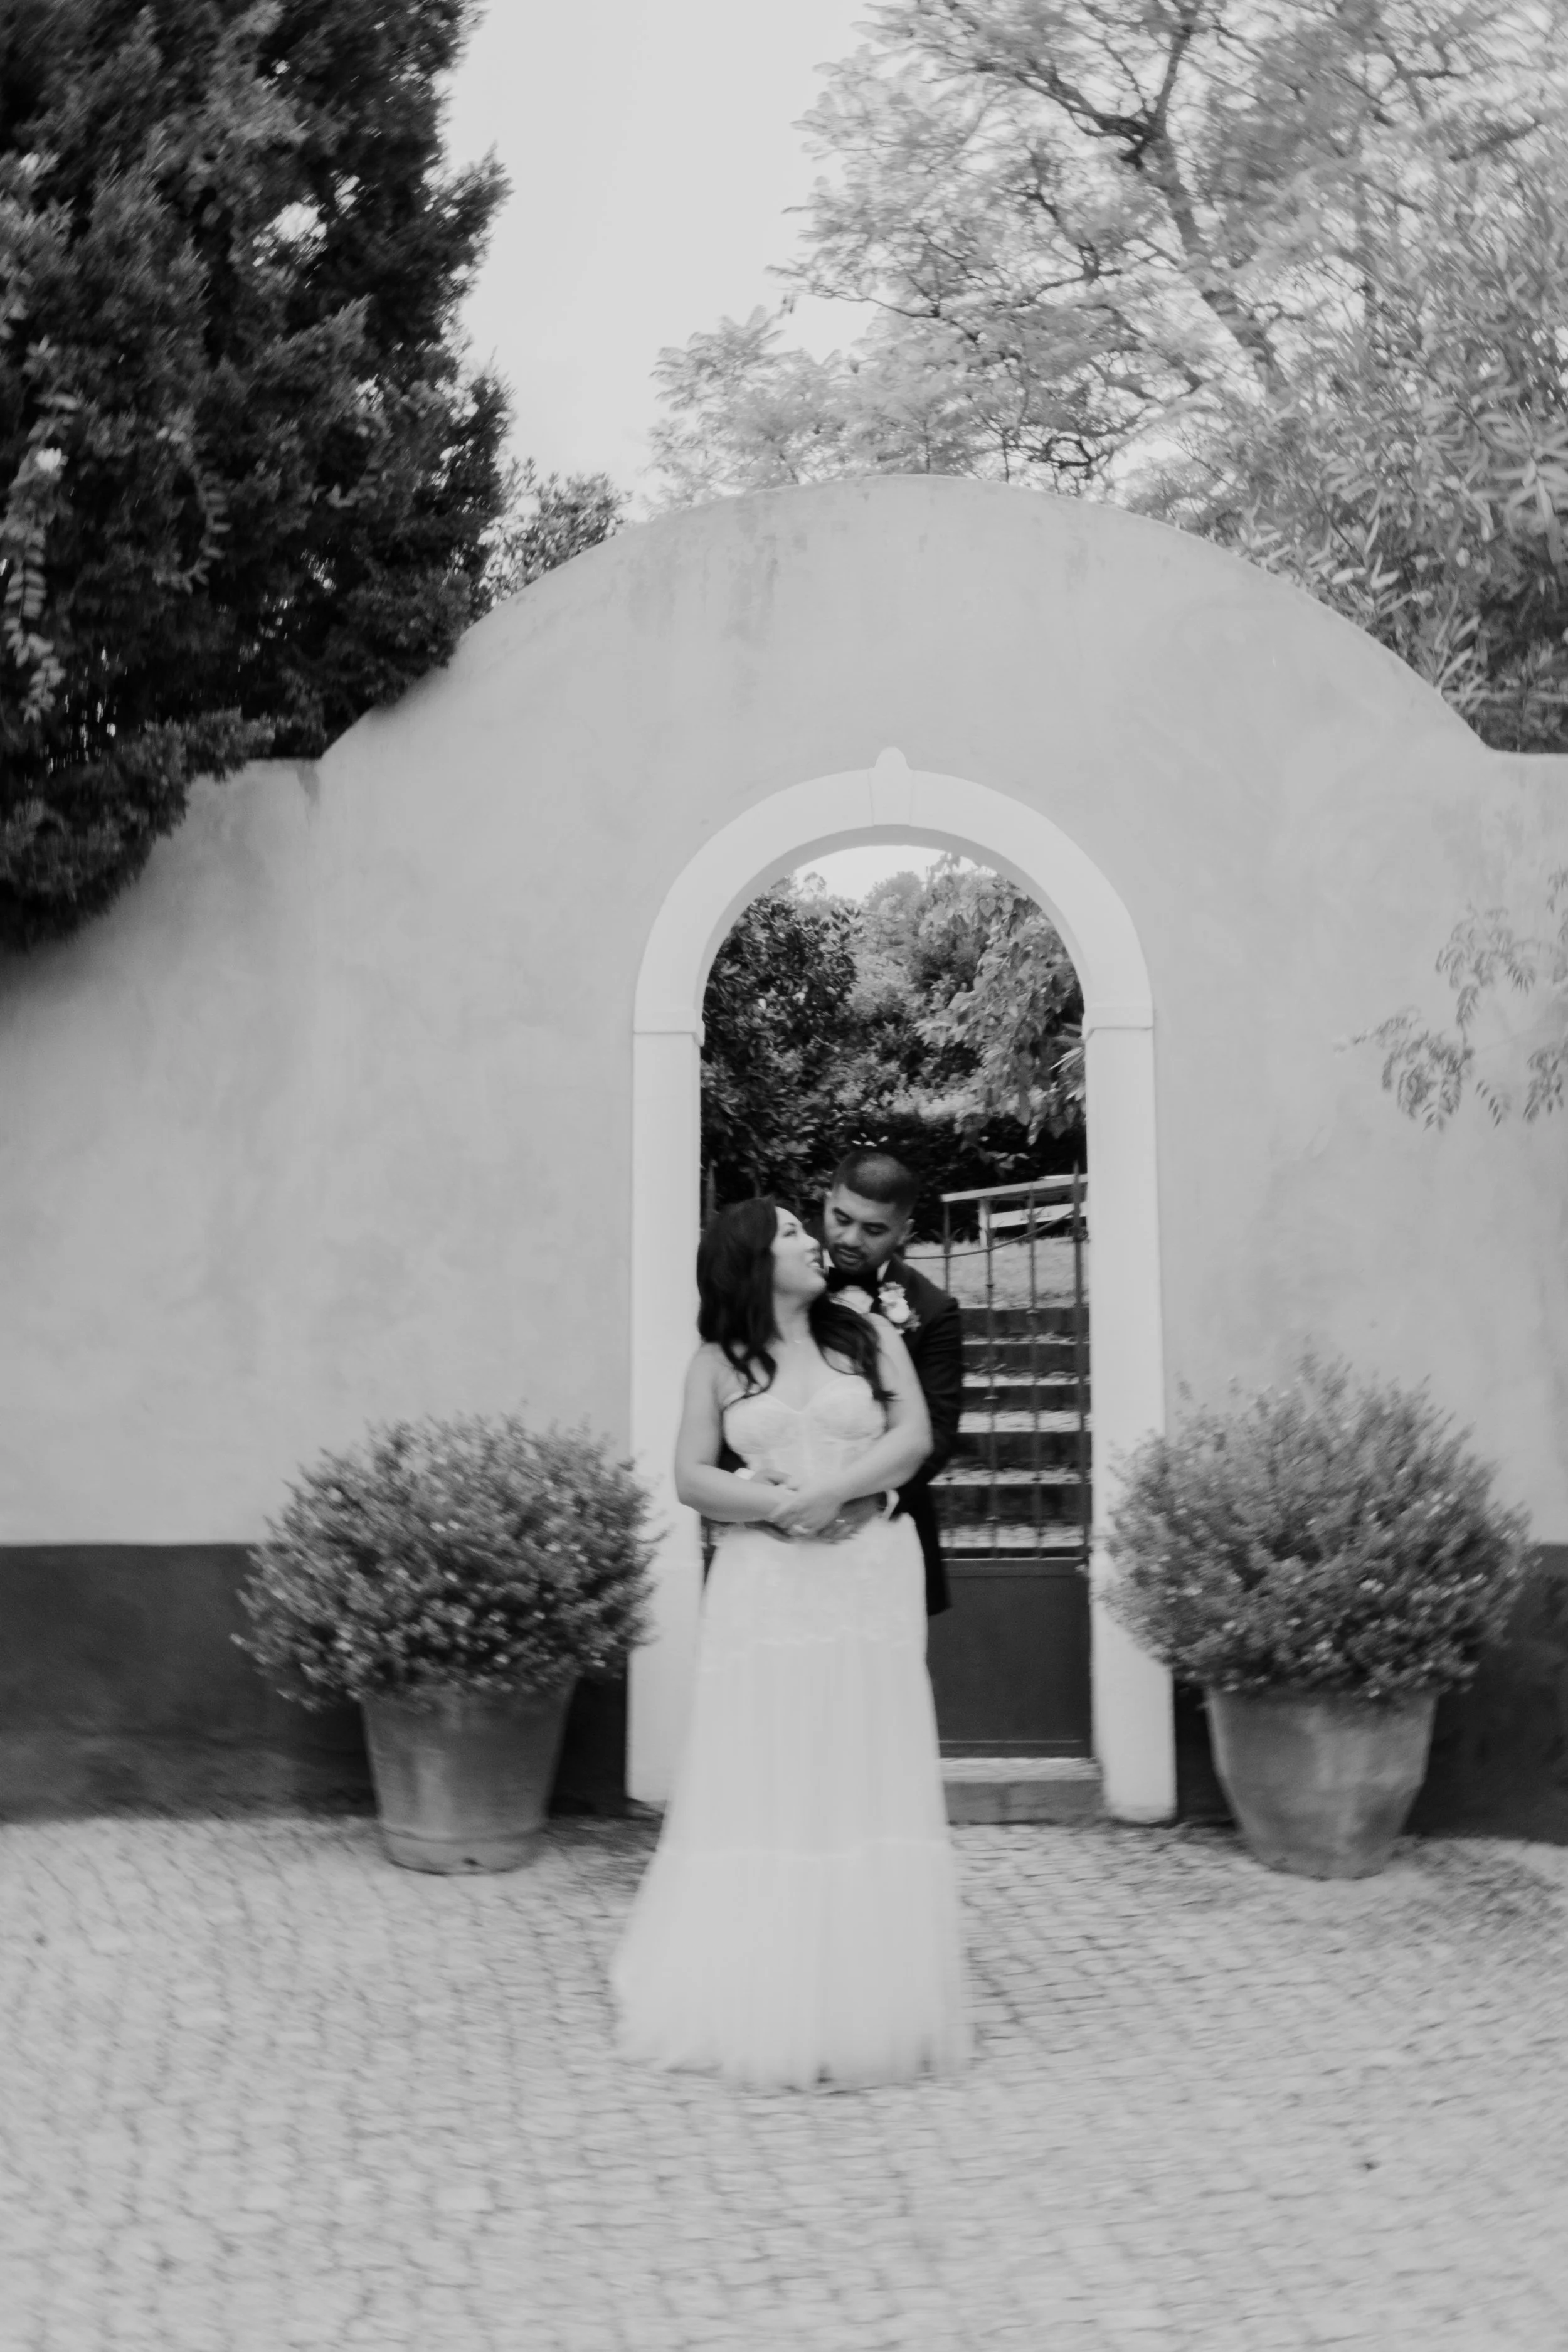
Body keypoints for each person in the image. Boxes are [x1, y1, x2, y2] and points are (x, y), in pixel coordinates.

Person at [610, 1199, 971, 2090]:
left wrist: (833, 1494)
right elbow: (691, 1475)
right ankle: (760, 1989)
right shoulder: (716, 1364)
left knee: (861, 1759)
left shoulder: (867, 1338)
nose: (818, 1242)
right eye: (794, 1234)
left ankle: (868, 1994)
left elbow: (915, 1438)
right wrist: (778, 1505)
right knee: (769, 1766)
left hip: (867, 1577)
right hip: (766, 1586)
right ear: (749, 1259)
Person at [816, 1149, 964, 1618]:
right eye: (841, 1218)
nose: (851, 1238)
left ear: (905, 1231)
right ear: (826, 1202)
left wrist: (878, 1498)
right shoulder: (776, 1280)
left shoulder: (935, 1311)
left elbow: (937, 1434)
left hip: (884, 1536)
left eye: (874, 1229)